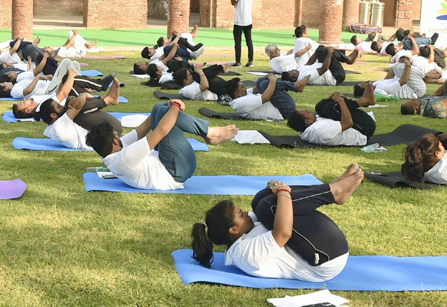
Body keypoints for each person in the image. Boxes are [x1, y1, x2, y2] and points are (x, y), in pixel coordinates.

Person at [190, 164, 361, 280]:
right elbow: (283, 233)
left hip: (317, 247)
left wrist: (272, 186)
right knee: (270, 206)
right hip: (324, 260)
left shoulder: (241, 233)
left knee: (261, 201)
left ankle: (333, 189)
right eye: (241, 214)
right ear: (234, 229)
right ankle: (335, 192)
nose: (246, 214)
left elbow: (260, 205)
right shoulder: (245, 253)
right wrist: (283, 192)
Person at [88, 100, 238, 191]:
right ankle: (211, 133)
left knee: (160, 109)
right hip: (177, 171)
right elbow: (162, 131)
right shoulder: (125, 157)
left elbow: (143, 128)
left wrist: (165, 106)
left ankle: (209, 132)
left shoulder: (111, 153)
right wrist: (176, 106)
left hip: (168, 162)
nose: (119, 135)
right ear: (114, 141)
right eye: (116, 134)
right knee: (167, 112)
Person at [285, 90, 375, 146]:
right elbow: (348, 123)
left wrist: (330, 98)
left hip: (358, 127)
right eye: (307, 112)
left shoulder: (308, 126)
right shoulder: (320, 129)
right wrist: (340, 100)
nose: (309, 111)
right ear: (307, 121)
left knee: (320, 107)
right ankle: (366, 101)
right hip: (364, 130)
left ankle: (365, 101)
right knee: (332, 107)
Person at [228, 0, 254, 67]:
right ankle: (250, 61)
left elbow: (233, 2)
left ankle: (238, 62)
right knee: (249, 41)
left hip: (239, 20)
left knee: (238, 42)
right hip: (248, 19)